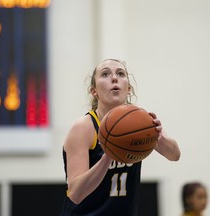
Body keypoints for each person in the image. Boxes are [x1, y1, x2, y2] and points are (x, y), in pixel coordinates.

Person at [59, 59, 181, 216]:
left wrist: (158, 135)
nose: (114, 78)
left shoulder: (140, 122)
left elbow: (175, 155)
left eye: (120, 73)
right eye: (105, 74)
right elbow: (76, 193)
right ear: (94, 91)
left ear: (128, 88)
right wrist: (108, 155)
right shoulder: (84, 127)